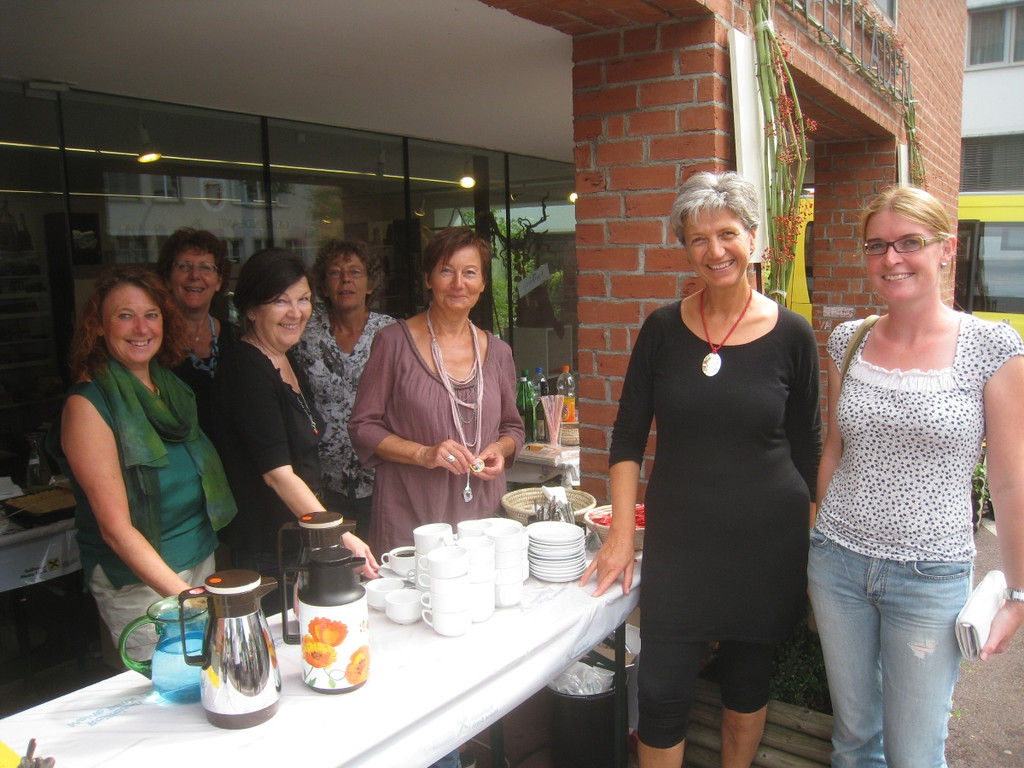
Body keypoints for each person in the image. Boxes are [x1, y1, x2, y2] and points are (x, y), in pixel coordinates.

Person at [581, 171, 822, 768]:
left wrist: (815, 545)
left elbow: (808, 448)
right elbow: (627, 437)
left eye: (727, 233)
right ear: (685, 249)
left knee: (746, 684)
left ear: (753, 238)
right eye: (698, 239)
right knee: (662, 691)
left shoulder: (794, 335)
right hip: (681, 546)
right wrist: (620, 536)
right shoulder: (662, 330)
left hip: (767, 544)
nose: (715, 250)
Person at [808, 186, 1024, 768]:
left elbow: (1010, 483)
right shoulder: (848, 340)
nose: (891, 258)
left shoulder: (992, 347)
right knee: (854, 739)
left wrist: (1019, 593)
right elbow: (835, 449)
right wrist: (816, 539)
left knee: (915, 753)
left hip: (929, 578)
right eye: (877, 246)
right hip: (837, 566)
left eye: (909, 242)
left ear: (946, 249)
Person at [47, 265, 236, 652]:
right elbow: (116, 530)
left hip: (199, 558)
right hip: (141, 583)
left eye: (151, 314)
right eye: (124, 316)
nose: (141, 327)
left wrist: (199, 594)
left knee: (211, 678)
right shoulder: (88, 405)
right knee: (172, 684)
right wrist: (189, 599)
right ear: (99, 327)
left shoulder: (170, 388)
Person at [349, 227, 525, 556]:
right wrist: (423, 454)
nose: (459, 283)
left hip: (482, 518)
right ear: (428, 279)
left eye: (470, 272)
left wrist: (500, 449)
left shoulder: (499, 352)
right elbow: (363, 426)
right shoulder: (393, 343)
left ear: (483, 283)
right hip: (413, 516)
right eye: (446, 271)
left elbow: (512, 428)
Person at [209, 248, 377, 578]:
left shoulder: (285, 357)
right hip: (267, 546)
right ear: (251, 309)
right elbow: (278, 474)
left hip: (297, 534)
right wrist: (338, 535)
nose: (296, 312)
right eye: (280, 301)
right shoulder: (246, 369)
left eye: (303, 300)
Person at [292, 240, 395, 537]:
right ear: (324, 287)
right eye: (335, 273)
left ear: (370, 284)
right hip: (323, 480)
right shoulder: (304, 336)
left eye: (355, 272)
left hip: (380, 477)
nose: (345, 280)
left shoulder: (392, 334)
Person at [156, 227, 237, 434]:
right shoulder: (152, 339)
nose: (195, 275)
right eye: (184, 266)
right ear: (167, 279)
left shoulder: (237, 337)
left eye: (206, 267)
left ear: (219, 281)